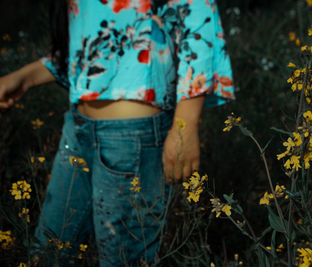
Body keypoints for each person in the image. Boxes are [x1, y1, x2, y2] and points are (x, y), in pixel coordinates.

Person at [0, 0, 235, 265]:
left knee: (123, 260)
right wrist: (24, 78)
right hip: (77, 129)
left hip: (133, 138)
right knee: (48, 254)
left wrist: (185, 125)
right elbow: (96, 44)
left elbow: (196, 17)